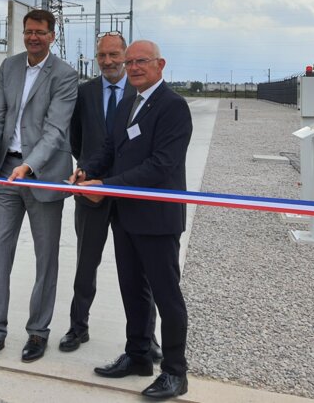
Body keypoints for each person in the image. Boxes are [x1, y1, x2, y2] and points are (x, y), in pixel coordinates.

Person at [75, 40, 193, 400]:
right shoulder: (130, 102)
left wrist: (105, 185)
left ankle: (175, 371)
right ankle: (138, 355)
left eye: (141, 61)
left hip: (157, 219)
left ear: (160, 63)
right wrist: (86, 170)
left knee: (166, 295)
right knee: (132, 289)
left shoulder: (173, 106)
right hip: (126, 216)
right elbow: (111, 149)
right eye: (130, 63)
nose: (134, 68)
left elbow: (161, 166)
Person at [0, 9, 78, 364]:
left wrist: (29, 165)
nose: (33, 37)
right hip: (6, 171)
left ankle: (38, 332)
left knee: (45, 258)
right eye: (28, 31)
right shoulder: (10, 66)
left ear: (52, 35)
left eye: (40, 32)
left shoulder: (65, 75)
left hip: (43, 174)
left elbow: (55, 130)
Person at [60, 32, 162, 362]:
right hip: (91, 195)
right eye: (102, 55)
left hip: (131, 194)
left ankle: (148, 337)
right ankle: (78, 326)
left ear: (127, 55)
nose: (108, 61)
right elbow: (76, 140)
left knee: (139, 271)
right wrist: (88, 173)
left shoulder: (141, 91)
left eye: (114, 54)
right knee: (85, 264)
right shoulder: (84, 92)